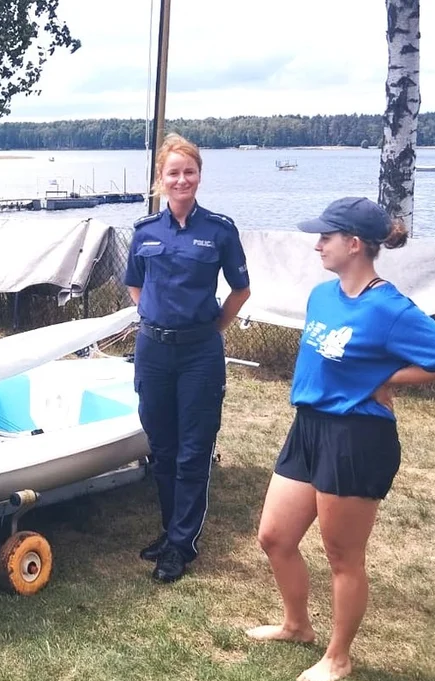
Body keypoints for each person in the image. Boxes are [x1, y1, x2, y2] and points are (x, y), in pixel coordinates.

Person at [245, 197, 435, 681]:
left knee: (343, 556)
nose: (317, 243)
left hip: (356, 436)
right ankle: (296, 625)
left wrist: (387, 379)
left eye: (326, 236)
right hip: (308, 426)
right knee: (274, 537)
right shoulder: (323, 296)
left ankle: (339, 656)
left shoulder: (390, 308)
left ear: (354, 244)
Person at [124, 134, 252, 583]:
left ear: (199, 176)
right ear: (160, 180)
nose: (182, 179)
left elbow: (241, 289)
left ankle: (182, 545)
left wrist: (213, 328)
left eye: (189, 171)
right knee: (161, 448)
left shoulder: (219, 230)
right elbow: (135, 286)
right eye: (173, 173)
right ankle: (169, 529)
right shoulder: (144, 233)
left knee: (194, 451)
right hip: (154, 351)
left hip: (200, 353)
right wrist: (154, 316)